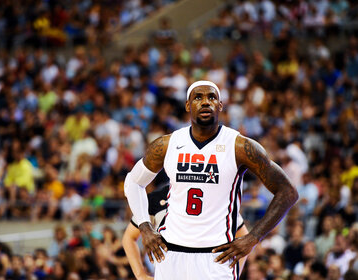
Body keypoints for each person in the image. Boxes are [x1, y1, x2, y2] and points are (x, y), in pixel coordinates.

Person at [124, 80, 298, 279]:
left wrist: (253, 238)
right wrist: (145, 227)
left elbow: (288, 192)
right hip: (170, 253)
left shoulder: (240, 146)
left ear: (220, 105)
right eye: (198, 97)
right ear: (188, 106)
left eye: (211, 97)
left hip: (215, 257)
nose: (205, 102)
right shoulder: (167, 144)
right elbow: (133, 182)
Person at [122, 185, 249, 280]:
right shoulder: (156, 198)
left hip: (208, 271)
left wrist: (233, 272)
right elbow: (129, 237)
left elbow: (243, 236)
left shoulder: (214, 197)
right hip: (169, 271)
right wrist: (141, 275)